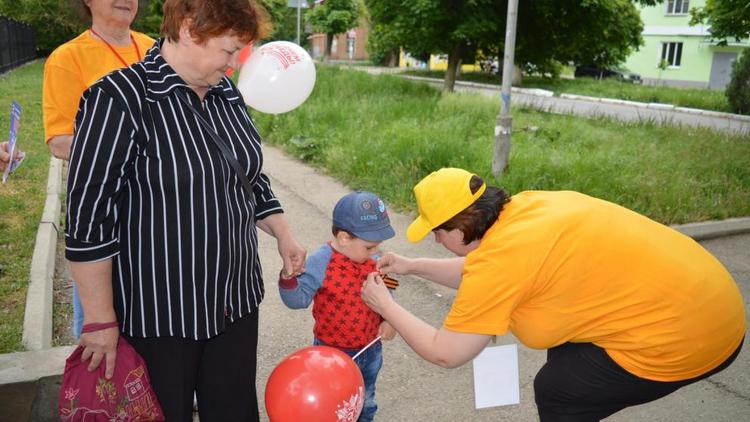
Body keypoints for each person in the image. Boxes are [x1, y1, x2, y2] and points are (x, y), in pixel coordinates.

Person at [65, 0, 305, 420]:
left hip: (234, 302)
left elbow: (247, 174)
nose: (234, 64)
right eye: (229, 50)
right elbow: (88, 221)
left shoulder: (225, 93)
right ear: (192, 29)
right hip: (161, 316)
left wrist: (283, 233)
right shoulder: (118, 99)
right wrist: (100, 321)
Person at [361, 167, 745, 421]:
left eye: (437, 231)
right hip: (714, 299)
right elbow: (490, 274)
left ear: (462, 225)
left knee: (558, 391)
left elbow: (447, 352)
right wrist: (411, 266)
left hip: (692, 339)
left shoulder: (499, 261)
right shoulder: (526, 207)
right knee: (565, 352)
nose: (435, 240)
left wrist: (386, 305)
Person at [43, 0, 155, 339]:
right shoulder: (68, 58)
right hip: (104, 214)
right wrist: (133, 150)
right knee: (100, 321)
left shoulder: (154, 49)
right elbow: (60, 140)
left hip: (157, 211)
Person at [278, 191, 397, 422]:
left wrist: (390, 318)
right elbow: (297, 300)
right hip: (331, 354)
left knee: (365, 402)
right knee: (332, 405)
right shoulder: (321, 262)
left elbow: (389, 285)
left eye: (377, 247)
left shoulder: (373, 260)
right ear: (343, 238)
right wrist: (288, 279)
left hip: (370, 350)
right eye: (369, 247)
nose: (375, 254)